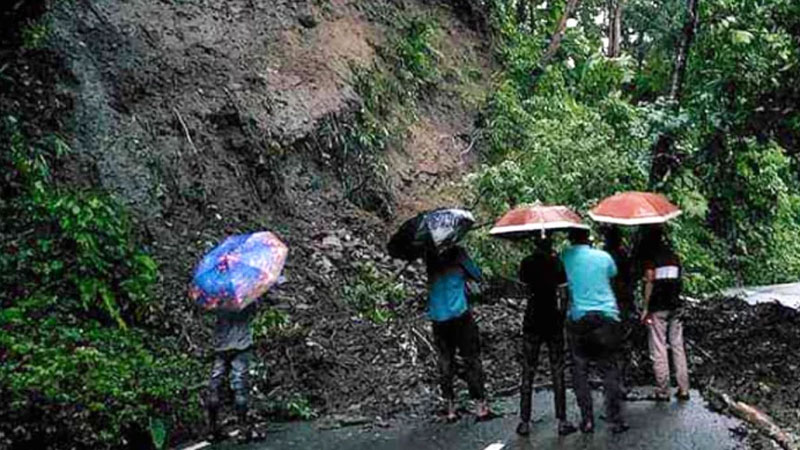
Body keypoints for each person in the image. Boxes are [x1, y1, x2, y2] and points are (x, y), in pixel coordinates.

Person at [561, 228, 628, 434]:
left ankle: (587, 420)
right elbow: (613, 276)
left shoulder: (564, 256)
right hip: (607, 317)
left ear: (570, 239)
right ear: (589, 238)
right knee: (609, 369)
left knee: (580, 370)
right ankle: (615, 419)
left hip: (579, 318)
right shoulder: (604, 256)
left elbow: (562, 282)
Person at [516, 236, 577, 436]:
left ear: (534, 244)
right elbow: (563, 292)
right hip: (553, 319)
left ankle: (524, 421)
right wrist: (562, 314)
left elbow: (523, 287)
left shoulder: (526, 263)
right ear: (551, 246)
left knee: (528, 369)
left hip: (532, 318)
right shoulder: (557, 263)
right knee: (557, 369)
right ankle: (562, 420)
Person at [425, 245, 491, 422]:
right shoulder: (458, 253)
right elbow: (477, 274)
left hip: (438, 317)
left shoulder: (429, 255)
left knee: (445, 361)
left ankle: (450, 408)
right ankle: (480, 406)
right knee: (471, 358)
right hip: (459, 314)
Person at [638, 226, 690, 401]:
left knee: (659, 348)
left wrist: (645, 307)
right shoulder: (673, 256)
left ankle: (663, 390)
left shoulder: (651, 257)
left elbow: (650, 281)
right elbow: (679, 281)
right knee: (677, 346)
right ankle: (684, 389)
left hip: (658, 308)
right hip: (676, 305)